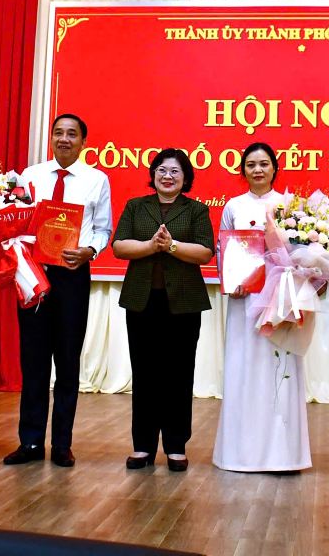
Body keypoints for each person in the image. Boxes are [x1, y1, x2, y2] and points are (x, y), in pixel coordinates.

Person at [4, 114, 112, 468]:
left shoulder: (97, 180)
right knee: (33, 360)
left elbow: (102, 228)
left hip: (71, 275)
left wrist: (89, 251)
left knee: (67, 361)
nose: (64, 139)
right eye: (58, 133)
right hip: (33, 274)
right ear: (51, 138)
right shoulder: (30, 176)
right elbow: (13, 218)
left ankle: (62, 443)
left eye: (72, 134)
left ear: (83, 142)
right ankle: (30, 442)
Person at [212, 142, 312, 473]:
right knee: (245, 368)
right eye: (251, 164)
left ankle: (283, 455)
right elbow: (222, 251)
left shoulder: (289, 206)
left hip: (281, 302)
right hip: (244, 303)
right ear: (242, 170)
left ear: (274, 168)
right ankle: (240, 453)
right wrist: (231, 281)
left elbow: (303, 252)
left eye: (264, 163)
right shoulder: (233, 206)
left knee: (278, 367)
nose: (257, 169)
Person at [112, 148, 214, 472]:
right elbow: (118, 246)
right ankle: (142, 446)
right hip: (142, 301)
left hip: (183, 304)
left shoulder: (196, 210)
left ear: (185, 178)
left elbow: (205, 252)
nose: (167, 176)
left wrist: (170, 246)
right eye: (161, 170)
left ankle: (175, 446)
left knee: (179, 374)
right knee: (144, 374)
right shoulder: (135, 206)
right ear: (153, 174)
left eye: (175, 171)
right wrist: (150, 246)